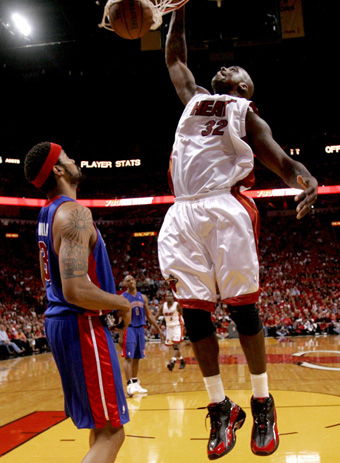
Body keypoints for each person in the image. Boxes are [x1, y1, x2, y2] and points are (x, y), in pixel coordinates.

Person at [157, 7, 318, 460]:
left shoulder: (245, 113)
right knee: (194, 314)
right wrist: (180, 9)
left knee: (244, 309)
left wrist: (306, 180)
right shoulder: (194, 98)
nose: (225, 67)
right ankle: (219, 406)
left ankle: (262, 401)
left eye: (235, 69)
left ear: (245, 87)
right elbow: (174, 60)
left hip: (225, 208)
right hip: (181, 213)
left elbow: (284, 163)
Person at [24, 142, 132, 463]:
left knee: (101, 428)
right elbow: (74, 289)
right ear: (58, 170)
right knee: (113, 431)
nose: (73, 160)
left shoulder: (47, 214)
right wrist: (122, 303)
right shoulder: (74, 214)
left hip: (61, 323)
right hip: (80, 323)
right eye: (66, 157)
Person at [121, 274, 165, 397]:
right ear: (125, 284)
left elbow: (149, 315)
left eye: (132, 279)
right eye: (127, 280)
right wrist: (120, 332)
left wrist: (159, 330)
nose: (130, 282)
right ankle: (129, 384)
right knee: (128, 357)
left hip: (140, 329)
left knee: (137, 357)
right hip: (129, 328)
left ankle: (135, 382)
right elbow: (119, 315)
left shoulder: (142, 297)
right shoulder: (123, 297)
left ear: (135, 281)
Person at [157, 290, 186, 371]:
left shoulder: (177, 305)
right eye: (167, 295)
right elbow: (157, 315)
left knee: (176, 345)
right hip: (169, 327)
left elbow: (183, 314)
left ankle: (172, 362)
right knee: (174, 346)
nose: (169, 296)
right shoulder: (163, 306)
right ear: (165, 297)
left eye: (170, 295)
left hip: (178, 326)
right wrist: (151, 322)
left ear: (173, 297)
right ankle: (182, 360)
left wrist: (185, 326)